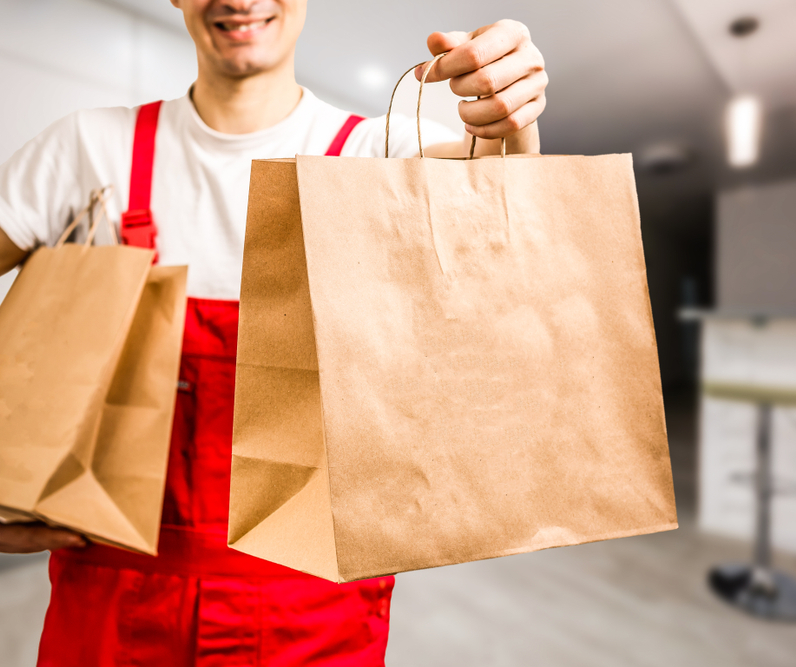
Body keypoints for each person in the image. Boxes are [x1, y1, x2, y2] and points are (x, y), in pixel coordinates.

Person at [0, 1, 547, 664]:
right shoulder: (89, 152)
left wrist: (511, 125)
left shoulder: (381, 153)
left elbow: (505, 245)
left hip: (315, 617)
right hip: (112, 609)